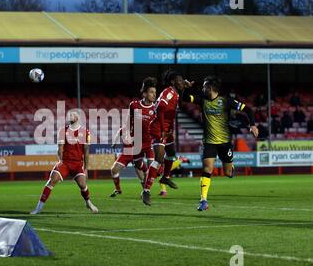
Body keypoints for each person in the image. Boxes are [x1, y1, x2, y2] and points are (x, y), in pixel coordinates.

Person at [183, 75, 258, 211]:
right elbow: (185, 98)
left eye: (204, 85)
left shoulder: (226, 101)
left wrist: (252, 125)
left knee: (228, 173)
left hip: (225, 142)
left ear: (210, 87)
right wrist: (185, 89)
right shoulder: (202, 100)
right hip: (209, 142)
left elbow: (248, 110)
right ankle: (203, 200)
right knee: (207, 169)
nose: (202, 88)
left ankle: (231, 168)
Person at [30, 111, 98, 214]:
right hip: (65, 163)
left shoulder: (85, 132)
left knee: (83, 185)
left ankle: (88, 203)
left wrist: (86, 169)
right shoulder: (63, 131)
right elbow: (60, 148)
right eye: (69, 115)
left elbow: (86, 151)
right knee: (52, 180)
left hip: (77, 164)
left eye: (72, 115)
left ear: (78, 117)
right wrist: (60, 161)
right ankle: (38, 208)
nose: (70, 116)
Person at [141, 70, 191, 206]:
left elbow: (176, 105)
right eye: (179, 80)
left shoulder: (175, 92)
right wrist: (163, 130)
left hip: (167, 128)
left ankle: (166, 177)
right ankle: (146, 191)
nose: (182, 82)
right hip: (158, 128)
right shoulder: (168, 92)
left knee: (172, 154)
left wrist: (185, 87)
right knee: (158, 159)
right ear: (173, 82)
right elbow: (161, 108)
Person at [110, 77, 157, 197]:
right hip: (134, 145)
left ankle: (147, 190)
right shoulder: (134, 105)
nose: (154, 95)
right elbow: (126, 123)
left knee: (153, 167)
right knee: (138, 167)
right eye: (151, 92)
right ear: (144, 93)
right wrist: (125, 136)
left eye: (155, 93)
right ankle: (144, 190)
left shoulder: (156, 108)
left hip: (149, 143)